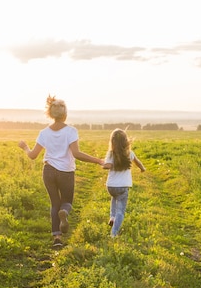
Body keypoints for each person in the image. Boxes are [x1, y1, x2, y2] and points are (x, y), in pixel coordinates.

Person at [18, 95, 105, 247]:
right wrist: (98, 160)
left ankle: (57, 238)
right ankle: (64, 213)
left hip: (48, 171)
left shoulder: (44, 133)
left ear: (50, 114)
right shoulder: (71, 131)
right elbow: (77, 154)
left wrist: (25, 146)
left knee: (54, 203)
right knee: (67, 202)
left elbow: (33, 156)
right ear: (65, 114)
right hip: (66, 172)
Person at [103, 128, 146, 238]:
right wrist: (142, 168)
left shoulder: (110, 154)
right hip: (123, 187)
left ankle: (112, 217)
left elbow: (105, 166)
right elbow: (137, 162)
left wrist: (109, 165)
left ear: (112, 142)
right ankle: (114, 233)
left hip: (111, 187)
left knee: (114, 197)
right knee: (121, 211)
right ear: (125, 141)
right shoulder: (130, 153)